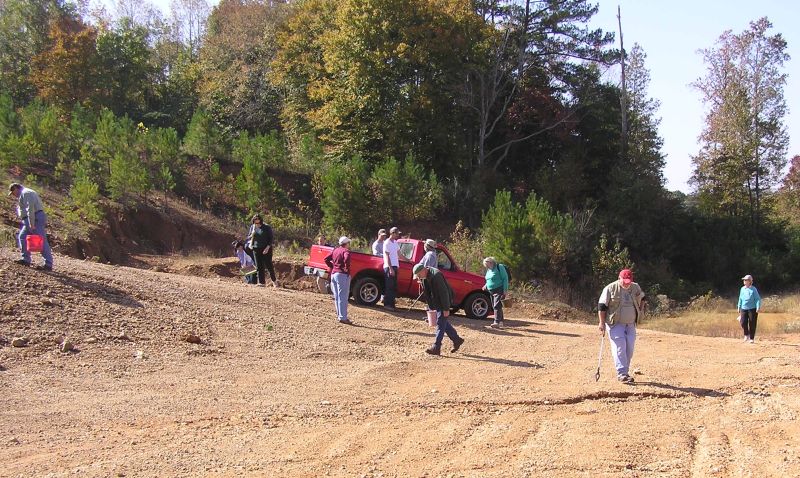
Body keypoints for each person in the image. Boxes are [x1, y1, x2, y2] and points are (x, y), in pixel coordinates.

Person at [597, 269, 645, 384]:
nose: (626, 284)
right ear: (619, 278)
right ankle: (622, 373)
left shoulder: (635, 287)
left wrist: (642, 310)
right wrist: (601, 323)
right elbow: (602, 306)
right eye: (624, 281)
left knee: (629, 348)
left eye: (629, 281)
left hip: (631, 324)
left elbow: (643, 298)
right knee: (620, 347)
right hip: (615, 324)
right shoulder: (610, 288)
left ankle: (625, 372)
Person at [413, 263, 464, 355]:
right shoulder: (424, 277)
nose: (418, 277)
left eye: (419, 275)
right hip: (437, 300)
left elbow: (444, 293)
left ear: (423, 270)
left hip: (444, 300)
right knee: (442, 321)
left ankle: (436, 347)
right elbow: (428, 293)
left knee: (440, 323)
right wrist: (430, 307)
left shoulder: (436, 275)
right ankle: (457, 339)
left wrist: (446, 308)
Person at [8, 183, 53, 271]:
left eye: (13, 192)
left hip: (34, 218)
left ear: (16, 188)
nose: (14, 195)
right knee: (22, 237)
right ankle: (26, 260)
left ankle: (48, 264)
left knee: (41, 239)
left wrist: (31, 223)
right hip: (30, 219)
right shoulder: (24, 194)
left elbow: (30, 209)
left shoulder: (26, 193)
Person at [325, 236, 353, 325]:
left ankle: (339, 315)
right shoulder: (346, 251)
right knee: (343, 297)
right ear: (346, 243)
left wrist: (332, 266)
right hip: (342, 275)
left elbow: (326, 259)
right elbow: (347, 258)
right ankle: (343, 317)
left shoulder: (335, 250)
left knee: (337, 296)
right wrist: (346, 268)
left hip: (334, 274)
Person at [245, 214, 277, 287]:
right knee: (259, 266)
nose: (257, 223)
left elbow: (271, 238)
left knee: (269, 265)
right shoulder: (252, 227)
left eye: (258, 221)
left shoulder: (266, 227)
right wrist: (251, 235)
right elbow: (249, 236)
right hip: (256, 248)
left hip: (266, 248)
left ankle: (274, 281)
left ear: (260, 220)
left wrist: (267, 248)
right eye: (255, 222)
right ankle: (262, 282)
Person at [482, 257, 509, 329]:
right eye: (486, 265)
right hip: (491, 291)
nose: (487, 266)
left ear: (491, 262)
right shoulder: (489, 270)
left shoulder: (499, 267)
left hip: (499, 289)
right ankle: (501, 322)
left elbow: (505, 278)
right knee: (496, 306)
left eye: (487, 264)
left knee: (497, 305)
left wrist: (505, 290)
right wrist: (486, 285)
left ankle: (496, 322)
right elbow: (488, 279)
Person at [738, 274, 761, 343]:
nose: (744, 281)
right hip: (743, 308)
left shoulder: (753, 289)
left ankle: (751, 338)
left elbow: (757, 299)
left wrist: (758, 307)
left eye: (746, 280)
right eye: (744, 280)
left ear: (750, 281)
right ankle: (746, 334)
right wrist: (739, 306)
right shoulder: (742, 289)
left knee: (752, 323)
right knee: (743, 322)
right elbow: (740, 298)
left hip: (752, 308)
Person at [382, 226, 401, 310]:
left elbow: (399, 254)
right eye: (397, 233)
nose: (398, 235)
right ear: (392, 233)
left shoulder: (395, 243)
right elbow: (386, 256)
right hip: (389, 266)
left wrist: (408, 260)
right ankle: (387, 305)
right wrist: (390, 268)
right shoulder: (387, 243)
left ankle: (392, 305)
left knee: (393, 286)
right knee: (389, 286)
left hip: (395, 266)